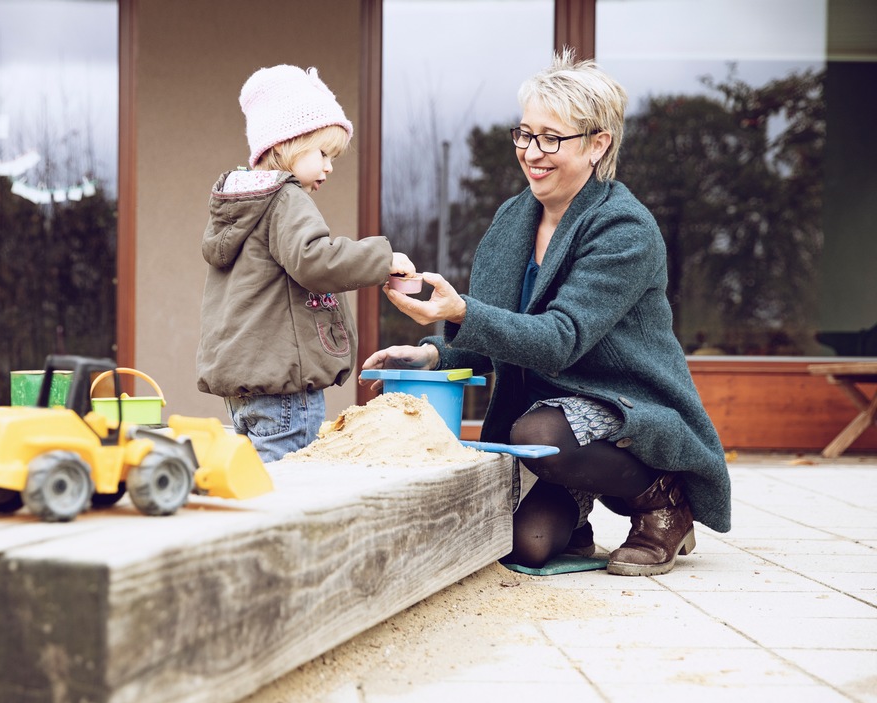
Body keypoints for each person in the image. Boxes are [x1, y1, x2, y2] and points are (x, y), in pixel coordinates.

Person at [362, 49, 731, 576]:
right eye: (525, 134)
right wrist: (429, 353)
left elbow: (559, 339)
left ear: (597, 144)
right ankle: (575, 498)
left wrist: (463, 310)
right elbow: (490, 337)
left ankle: (663, 501)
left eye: (552, 138)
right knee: (525, 546)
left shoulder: (624, 228)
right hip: (545, 420)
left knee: (538, 436)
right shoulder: (514, 219)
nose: (532, 152)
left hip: (620, 406)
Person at [197, 64, 416, 462]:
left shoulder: (239, 204)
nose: (330, 166)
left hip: (245, 391)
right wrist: (380, 257)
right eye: (323, 153)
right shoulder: (285, 198)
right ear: (289, 143)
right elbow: (314, 260)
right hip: (285, 393)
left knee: (254, 486)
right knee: (289, 496)